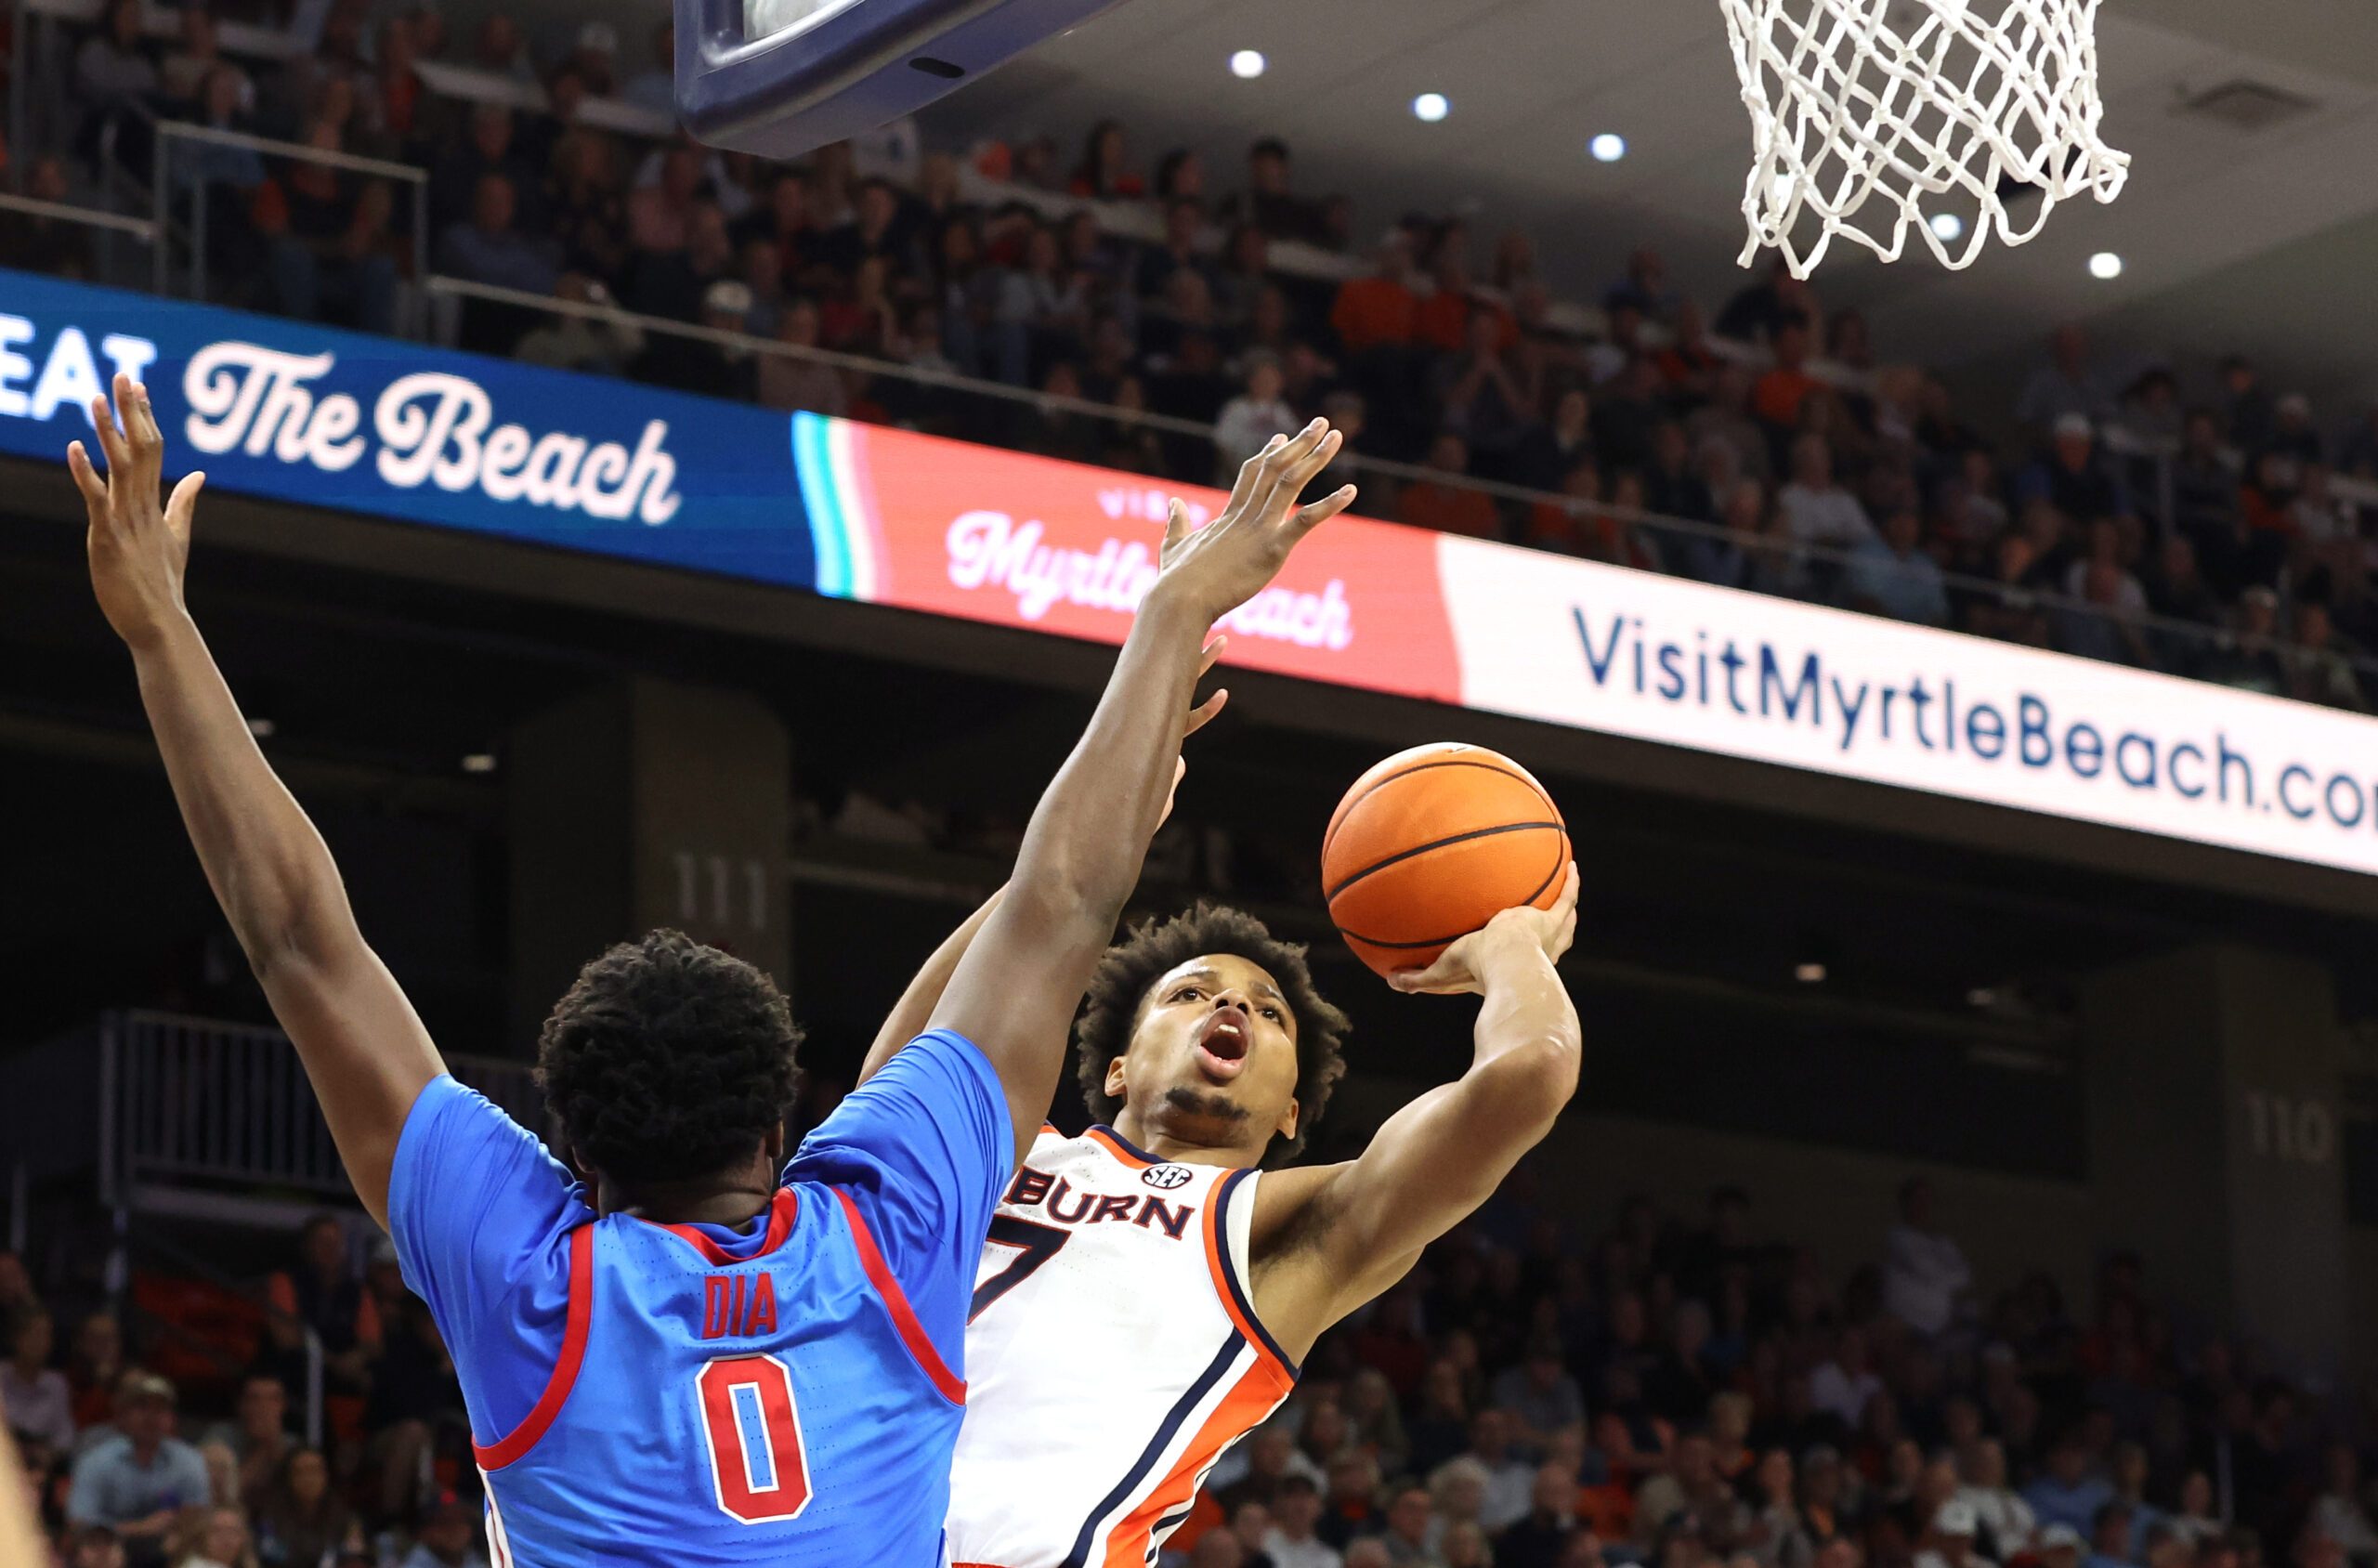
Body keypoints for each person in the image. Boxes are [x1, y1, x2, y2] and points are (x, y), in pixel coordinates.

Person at [63, 377, 1353, 1561]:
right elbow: (1063, 904)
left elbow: (297, 939)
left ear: (568, 1150)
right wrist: (1173, 616)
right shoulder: (888, 1225)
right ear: (782, 1120)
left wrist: (160, 637)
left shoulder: (531, 1279)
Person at [861, 685, 1579, 1564]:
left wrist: (1509, 942)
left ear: (1289, 1113)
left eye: (1267, 1011)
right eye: (1190, 993)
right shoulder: (1003, 1155)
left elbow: (1529, 1073)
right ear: (1118, 1066)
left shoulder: (1289, 1230)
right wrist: (1082, 850)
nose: (1232, 1003)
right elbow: (898, 1075)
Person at [66, 1372, 211, 1557]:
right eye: (142, 1407)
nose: (151, 1417)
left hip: (170, 1556)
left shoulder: (189, 1460)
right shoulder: (96, 1461)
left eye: (160, 1409)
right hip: (111, 1554)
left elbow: (198, 1518)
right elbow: (79, 1526)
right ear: (123, 1416)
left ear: (171, 1418)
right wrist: (140, 1529)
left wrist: (179, 1531)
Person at [0, 1309, 74, 1451]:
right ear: (16, 1338)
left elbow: (65, 1436)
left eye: (45, 1335)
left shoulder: (56, 1384)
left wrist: (48, 1456)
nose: (40, 1342)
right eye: (34, 1334)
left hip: (41, 1461)